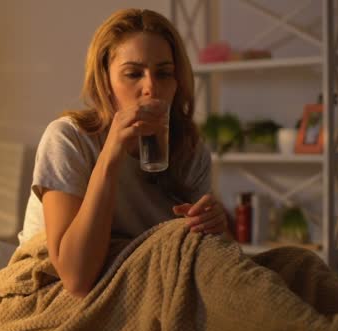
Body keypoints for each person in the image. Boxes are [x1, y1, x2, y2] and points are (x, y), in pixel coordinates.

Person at [18, 8, 229, 298]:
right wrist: (111, 154)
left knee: (298, 265)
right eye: (133, 74)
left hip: (154, 281)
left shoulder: (190, 150)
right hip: (55, 291)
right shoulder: (69, 139)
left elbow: (209, 261)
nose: (150, 87)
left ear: (177, 82)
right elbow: (75, 278)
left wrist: (216, 226)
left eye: (164, 73)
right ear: (105, 81)